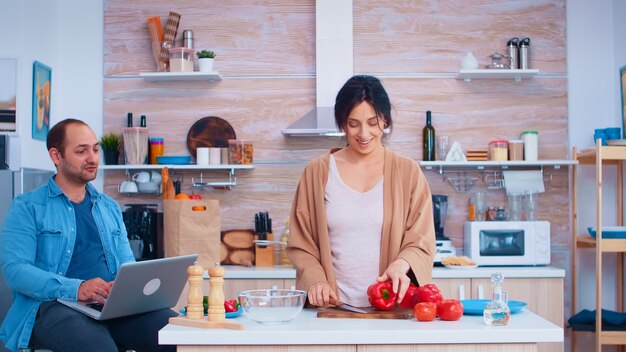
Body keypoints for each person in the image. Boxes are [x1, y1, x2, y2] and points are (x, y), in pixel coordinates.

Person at [0, 119, 177, 352]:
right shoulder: (27, 207)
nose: (92, 158)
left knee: (174, 335)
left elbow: (126, 263)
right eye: (81, 151)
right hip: (53, 306)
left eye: (95, 149)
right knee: (99, 347)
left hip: (109, 306)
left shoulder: (109, 207)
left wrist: (129, 287)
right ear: (56, 156)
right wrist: (77, 287)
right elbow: (15, 271)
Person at [287, 75, 436, 308]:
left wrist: (402, 263)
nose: (364, 134)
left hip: (391, 309)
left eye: (372, 122)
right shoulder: (317, 172)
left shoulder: (408, 171)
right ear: (342, 123)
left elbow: (422, 238)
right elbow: (301, 243)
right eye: (353, 124)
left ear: (385, 120)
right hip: (333, 308)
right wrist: (315, 280)